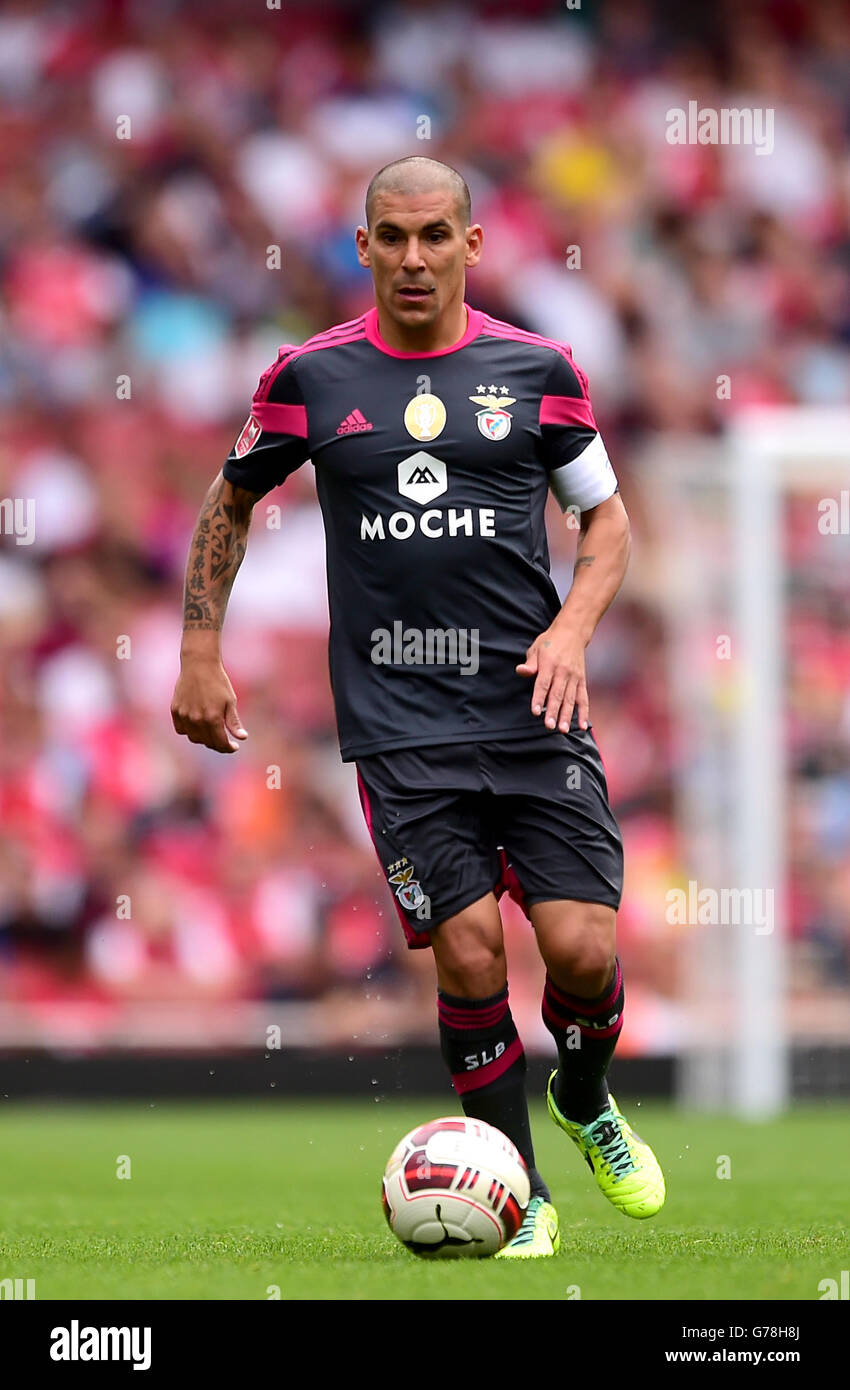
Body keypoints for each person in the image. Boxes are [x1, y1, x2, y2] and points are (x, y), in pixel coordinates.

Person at [171, 156, 665, 1258]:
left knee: (582, 953)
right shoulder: (311, 377)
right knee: (472, 956)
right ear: (362, 246)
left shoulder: (538, 368)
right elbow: (230, 499)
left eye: (434, 235)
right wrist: (200, 647)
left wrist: (571, 629)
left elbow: (609, 523)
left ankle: (582, 1096)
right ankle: (522, 1191)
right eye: (390, 236)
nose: (412, 256)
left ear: (470, 245)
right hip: (400, 724)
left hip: (534, 707)